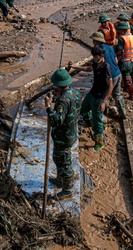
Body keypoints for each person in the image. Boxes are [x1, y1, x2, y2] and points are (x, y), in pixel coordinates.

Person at [44, 68, 82, 200]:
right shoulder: (75, 93)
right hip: (70, 133)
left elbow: (58, 120)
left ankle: (67, 190)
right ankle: (60, 179)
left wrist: (49, 107)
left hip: (63, 136)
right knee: (59, 158)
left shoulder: (63, 101)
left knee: (64, 164)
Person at [68, 45, 112, 151]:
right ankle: (93, 122)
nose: (94, 58)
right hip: (92, 93)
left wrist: (104, 102)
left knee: (97, 123)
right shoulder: (96, 63)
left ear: (101, 56)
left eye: (95, 57)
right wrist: (75, 67)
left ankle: (99, 142)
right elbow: (88, 68)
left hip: (99, 98)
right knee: (83, 110)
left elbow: (111, 85)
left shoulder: (106, 67)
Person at [88, 32, 126, 118]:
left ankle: (103, 114)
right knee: (117, 94)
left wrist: (78, 67)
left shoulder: (99, 51)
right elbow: (116, 60)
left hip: (110, 75)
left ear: (97, 41)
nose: (93, 42)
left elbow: (92, 65)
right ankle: (123, 112)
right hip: (118, 73)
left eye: (94, 40)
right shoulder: (110, 48)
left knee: (104, 94)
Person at [115, 21, 133, 101]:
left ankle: (132, 94)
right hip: (132, 60)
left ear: (122, 30)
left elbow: (120, 51)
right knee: (127, 76)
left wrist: (114, 55)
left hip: (126, 61)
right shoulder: (132, 37)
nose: (118, 31)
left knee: (126, 78)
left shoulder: (122, 39)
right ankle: (126, 90)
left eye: (119, 30)